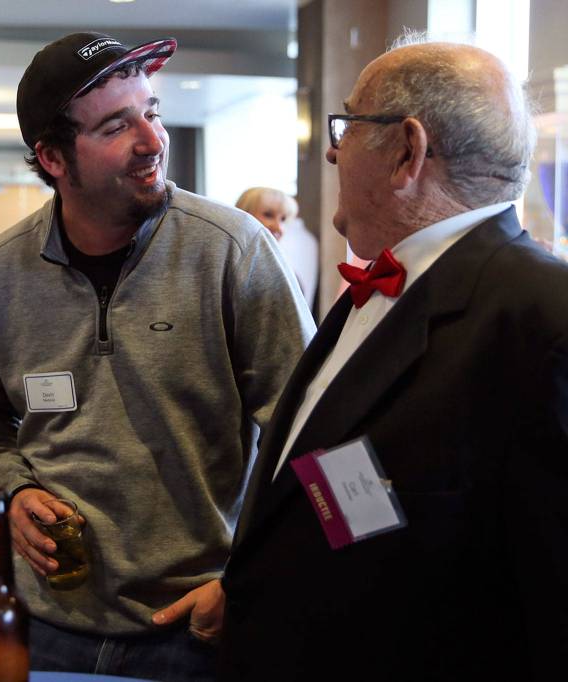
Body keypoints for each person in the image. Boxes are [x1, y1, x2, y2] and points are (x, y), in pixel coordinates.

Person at [0, 32, 314, 681]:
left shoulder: (232, 251)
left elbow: (308, 435)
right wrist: (17, 485)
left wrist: (249, 576)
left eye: (150, 110)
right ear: (53, 157)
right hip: (46, 628)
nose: (153, 139)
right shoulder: (0, 274)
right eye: (118, 125)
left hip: (197, 629)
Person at [219, 37, 568, 681]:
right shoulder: (376, 289)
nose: (331, 150)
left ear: (407, 152)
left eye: (348, 125)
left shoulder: (543, 318)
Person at [235, 187, 318, 307]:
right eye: (268, 215)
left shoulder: (285, 271)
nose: (279, 227)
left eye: (283, 219)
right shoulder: (229, 263)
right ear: (244, 214)